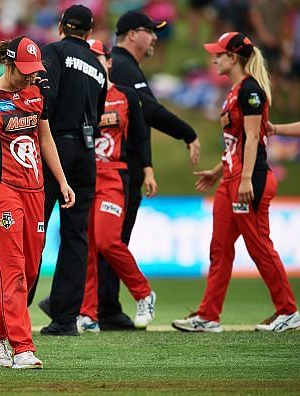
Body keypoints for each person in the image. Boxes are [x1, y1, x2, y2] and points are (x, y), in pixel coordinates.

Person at [172, 32, 300, 333]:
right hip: (231, 179)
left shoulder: (250, 91)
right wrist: (218, 172)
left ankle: (288, 311)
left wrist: (245, 179)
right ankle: (208, 316)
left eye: (219, 54)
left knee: (259, 247)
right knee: (219, 248)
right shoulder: (235, 91)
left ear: (233, 58)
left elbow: (255, 138)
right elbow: (237, 141)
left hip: (249, 180)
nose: (213, 59)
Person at [0, 36, 75, 369]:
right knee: (13, 272)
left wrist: (63, 180)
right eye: (24, 70)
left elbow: (45, 137)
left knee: (29, 271)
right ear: (7, 64)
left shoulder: (37, 92)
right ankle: (23, 347)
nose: (29, 75)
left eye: (33, 70)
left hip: (36, 189)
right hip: (1, 189)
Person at [93, 10, 201, 330]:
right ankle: (103, 308)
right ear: (131, 33)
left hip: (114, 170)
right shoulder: (124, 66)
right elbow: (149, 112)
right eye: (150, 31)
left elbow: (142, 119)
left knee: (105, 241)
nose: (155, 37)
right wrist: (187, 132)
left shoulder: (125, 67)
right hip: (117, 171)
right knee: (111, 240)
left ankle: (99, 307)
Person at [29, 4, 107, 337]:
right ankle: (65, 319)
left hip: (55, 145)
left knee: (34, 229)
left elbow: (46, 98)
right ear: (89, 32)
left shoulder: (54, 52)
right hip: (87, 152)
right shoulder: (99, 67)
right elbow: (100, 115)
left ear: (62, 26)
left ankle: (13, 312)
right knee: (76, 237)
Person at [78, 39, 157, 333]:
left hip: (115, 176)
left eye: (98, 57)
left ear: (109, 61)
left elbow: (140, 137)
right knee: (87, 245)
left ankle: (143, 293)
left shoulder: (125, 96)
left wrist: (148, 171)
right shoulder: (81, 98)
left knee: (108, 240)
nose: (94, 61)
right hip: (85, 177)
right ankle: (88, 314)